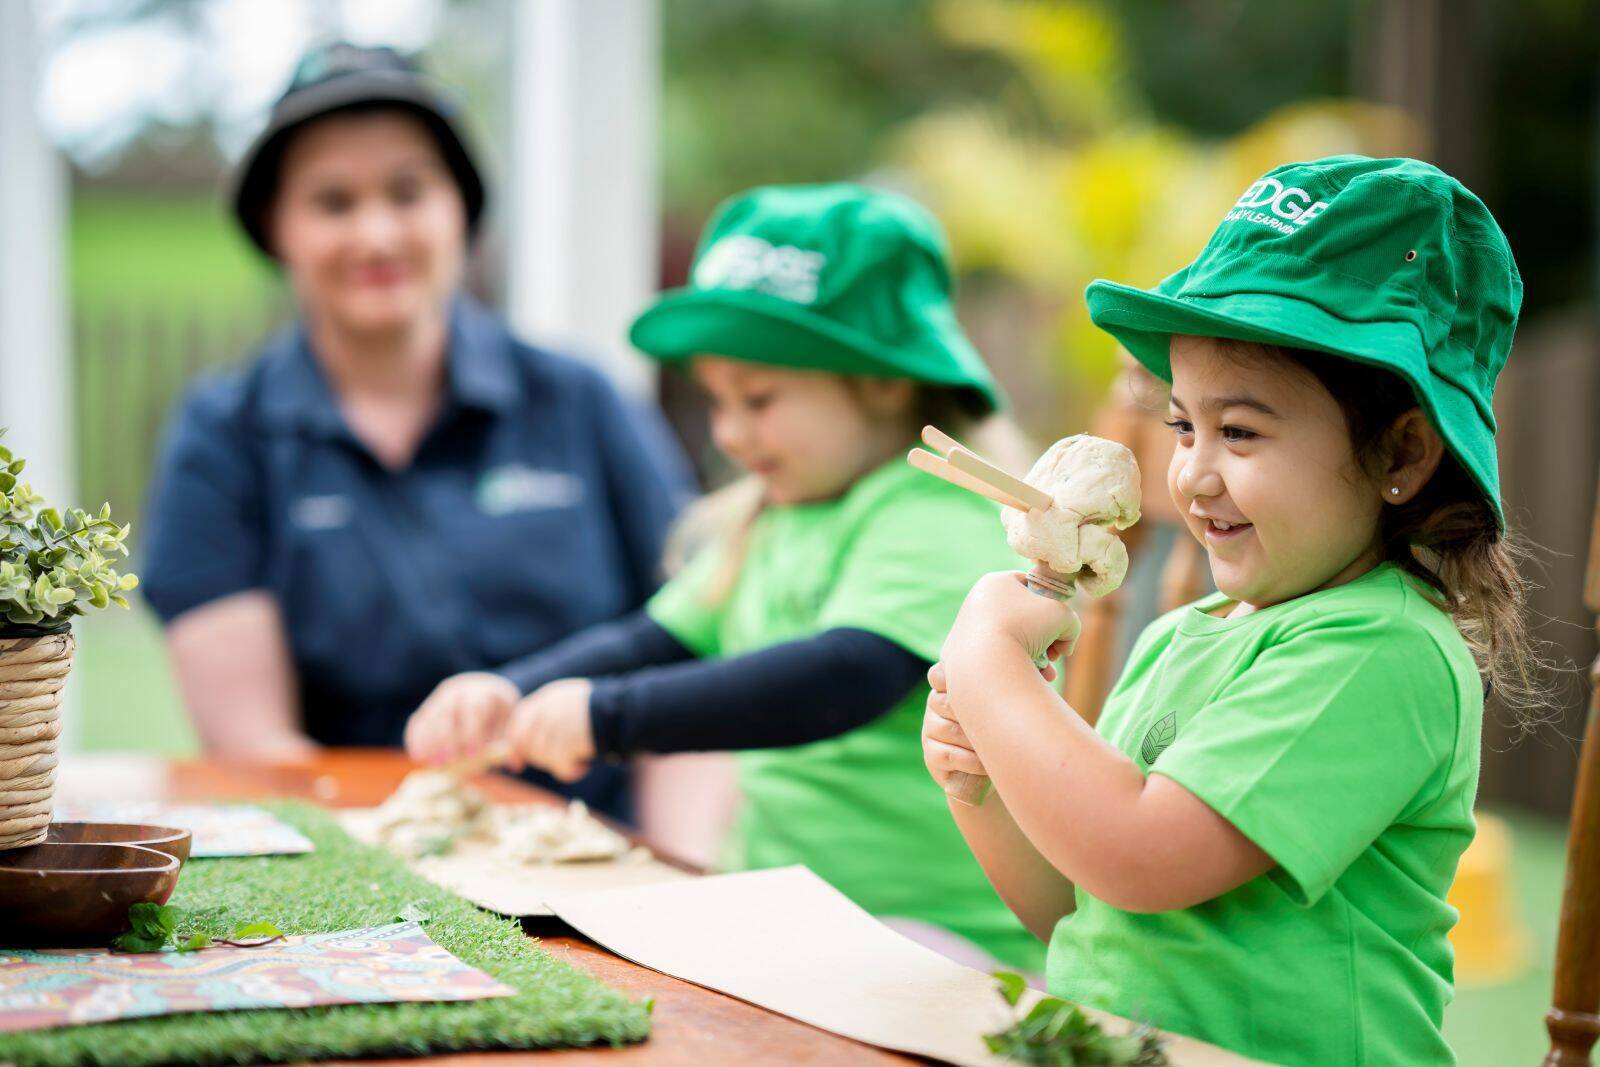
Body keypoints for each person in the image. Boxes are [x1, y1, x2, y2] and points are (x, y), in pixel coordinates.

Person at [923, 156, 1543, 1064]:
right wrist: (981, 783)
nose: (1193, 473)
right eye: (1182, 426)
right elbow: (1075, 898)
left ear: (1401, 450)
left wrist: (989, 661)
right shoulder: (1186, 635)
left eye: (1240, 431)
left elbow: (1139, 854)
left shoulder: (1381, 649)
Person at [406, 182, 1043, 969]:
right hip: (789, 913)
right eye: (718, 400)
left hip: (939, 940)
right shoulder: (772, 515)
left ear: (883, 380)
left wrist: (609, 717)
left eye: (760, 398)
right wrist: (513, 688)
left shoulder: (937, 512)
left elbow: (847, 675)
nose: (731, 433)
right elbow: (659, 637)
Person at [140, 43, 691, 819]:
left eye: (408, 191)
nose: (376, 234)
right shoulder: (224, 436)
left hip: (592, 851)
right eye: (333, 202)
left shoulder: (581, 401)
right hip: (360, 861)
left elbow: (695, 649)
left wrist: (669, 881)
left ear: (461, 208)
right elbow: (256, 748)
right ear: (276, 228)